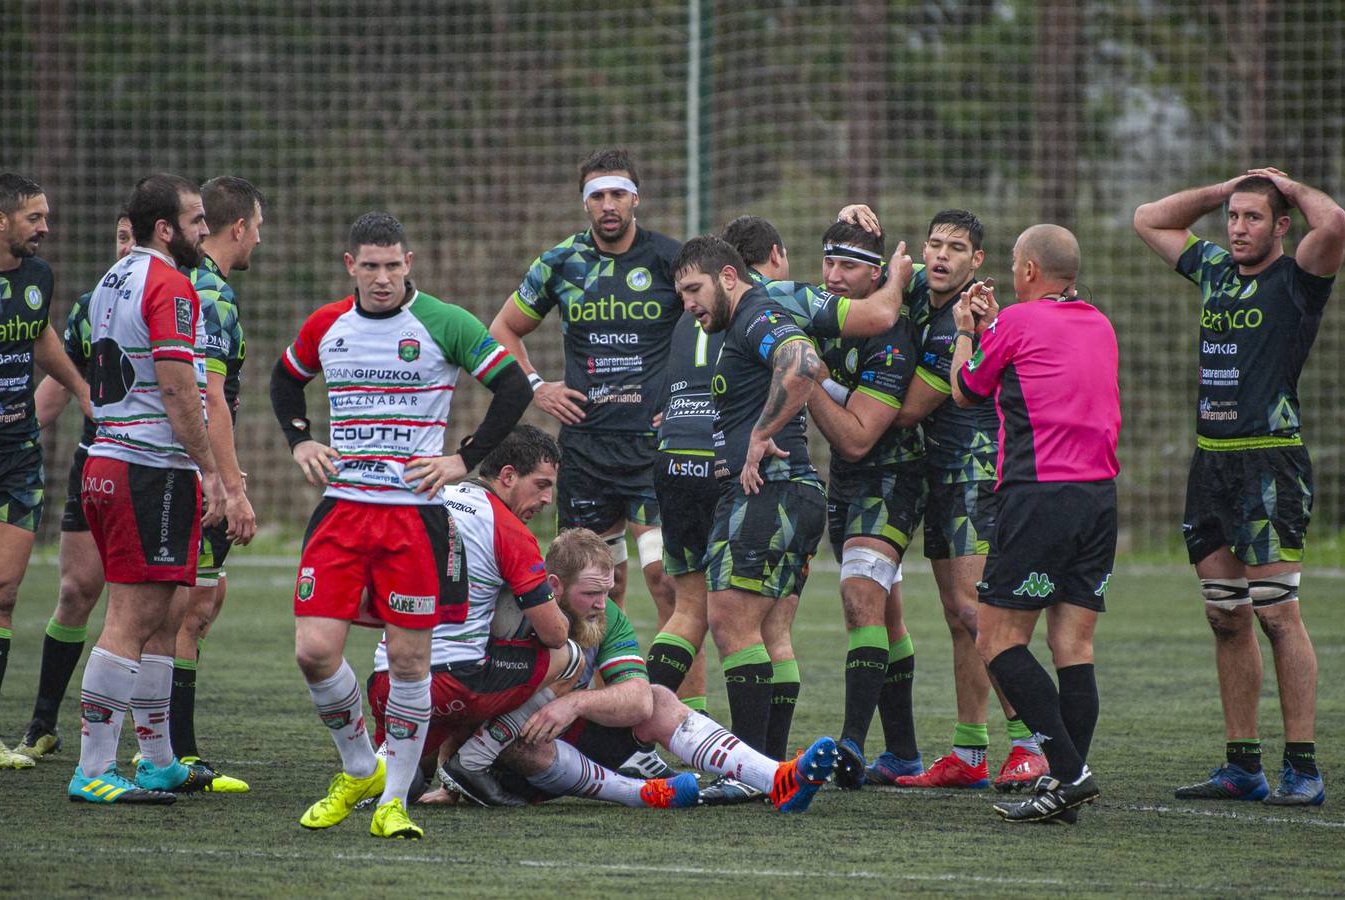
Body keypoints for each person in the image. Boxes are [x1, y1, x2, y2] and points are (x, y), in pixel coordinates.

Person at [269, 211, 531, 839]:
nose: (382, 278)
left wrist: (462, 459)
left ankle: (393, 802)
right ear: (350, 266)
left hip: (415, 519)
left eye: (392, 265)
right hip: (342, 511)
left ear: (408, 264)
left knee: (412, 662)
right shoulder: (326, 325)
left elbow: (513, 389)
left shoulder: (446, 322)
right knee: (313, 651)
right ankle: (361, 766)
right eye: (370, 266)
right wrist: (300, 441)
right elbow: (284, 380)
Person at [1133, 168, 1345, 807]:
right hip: (1212, 465)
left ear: (1282, 226)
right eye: (1233, 217)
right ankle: (1243, 766)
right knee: (1225, 615)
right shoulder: (1215, 270)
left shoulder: (1298, 278)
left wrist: (1284, 183)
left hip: (1269, 462)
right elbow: (1149, 217)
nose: (1237, 228)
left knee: (1277, 614)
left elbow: (1333, 222)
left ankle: (1302, 766)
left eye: (1253, 217)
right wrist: (1225, 187)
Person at [674, 234, 912, 765]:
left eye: (693, 289)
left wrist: (760, 434)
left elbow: (802, 362)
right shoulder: (758, 311)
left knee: (731, 623)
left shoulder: (756, 312)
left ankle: (749, 769)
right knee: (770, 632)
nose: (688, 303)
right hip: (793, 492)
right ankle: (773, 768)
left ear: (728, 277)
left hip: (769, 491)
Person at [437, 528, 839, 814]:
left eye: (607, 591)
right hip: (498, 755)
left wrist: (575, 703)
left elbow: (637, 699)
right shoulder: (508, 611)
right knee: (523, 732)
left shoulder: (606, 614)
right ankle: (641, 793)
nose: (601, 604)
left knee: (659, 699)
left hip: (565, 743)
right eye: (590, 593)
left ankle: (777, 780)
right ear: (554, 586)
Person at [68, 173, 237, 804]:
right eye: (195, 220)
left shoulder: (113, 279)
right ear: (164, 228)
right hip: (144, 467)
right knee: (132, 617)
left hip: (119, 462)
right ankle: (92, 769)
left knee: (167, 616)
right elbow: (176, 390)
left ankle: (159, 760)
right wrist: (213, 471)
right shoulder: (169, 283)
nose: (203, 230)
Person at [876, 207, 1050, 791]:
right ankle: (970, 752)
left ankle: (1031, 741)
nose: (940, 255)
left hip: (977, 469)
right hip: (942, 472)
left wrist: (824, 383)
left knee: (979, 612)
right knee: (957, 616)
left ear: (978, 261)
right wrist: (866, 229)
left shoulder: (962, 319)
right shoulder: (923, 287)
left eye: (955, 248)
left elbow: (905, 412)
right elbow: (871, 273)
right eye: (933, 245)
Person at [951, 224, 1120, 824]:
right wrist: (1001, 323)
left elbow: (968, 389)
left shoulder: (1015, 324)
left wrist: (969, 332)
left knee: (997, 639)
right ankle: (1064, 789)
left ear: (1026, 271)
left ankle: (1069, 775)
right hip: (1099, 498)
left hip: (1039, 496)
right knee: (1073, 644)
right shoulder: (1099, 322)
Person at [489, 148, 680, 624]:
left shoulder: (671, 261)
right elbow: (502, 329)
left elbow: (719, 323)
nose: (608, 204)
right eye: (598, 195)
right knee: (592, 588)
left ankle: (683, 701)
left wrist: (689, 400)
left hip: (654, 449)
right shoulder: (561, 263)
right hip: (587, 451)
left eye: (618, 193)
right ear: (585, 203)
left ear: (636, 199)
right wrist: (536, 385)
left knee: (668, 581)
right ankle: (601, 697)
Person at [364, 425, 577, 803]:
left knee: (403, 776)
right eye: (541, 485)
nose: (548, 499)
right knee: (569, 656)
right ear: (508, 476)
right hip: (453, 685)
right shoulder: (509, 530)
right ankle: (472, 763)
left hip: (384, 682)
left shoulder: (433, 497)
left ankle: (409, 767)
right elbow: (554, 635)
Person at [805, 219, 927, 789]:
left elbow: (857, 437)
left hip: (892, 475)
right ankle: (902, 754)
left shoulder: (891, 332)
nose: (832, 277)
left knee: (858, 597)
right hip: (845, 483)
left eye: (848, 267)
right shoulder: (823, 309)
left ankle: (852, 742)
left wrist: (805, 380)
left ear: (877, 275)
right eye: (827, 263)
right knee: (884, 614)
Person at [14, 211, 133, 762]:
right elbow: (59, 389)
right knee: (75, 591)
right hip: (95, 467)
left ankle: (156, 743)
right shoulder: (93, 307)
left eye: (136, 237)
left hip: (157, 473)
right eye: (119, 238)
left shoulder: (187, 304)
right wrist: (13, 437)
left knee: (153, 613)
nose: (126, 249)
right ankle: (42, 722)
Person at [165, 175, 265, 792]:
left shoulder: (187, 287)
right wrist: (230, 485)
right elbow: (211, 400)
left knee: (197, 602)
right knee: (184, 608)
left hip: (169, 464)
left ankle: (173, 748)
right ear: (239, 229)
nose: (259, 238)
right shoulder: (214, 297)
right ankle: (173, 753)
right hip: (188, 475)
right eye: (258, 227)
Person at [0, 173, 91, 769]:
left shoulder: (39, 277)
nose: (45, 228)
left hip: (17, 452)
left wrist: (82, 390)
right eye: (34, 218)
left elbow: (41, 337)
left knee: (2, 594)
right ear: (0, 220)